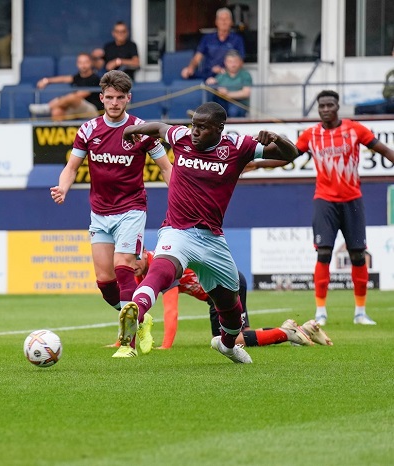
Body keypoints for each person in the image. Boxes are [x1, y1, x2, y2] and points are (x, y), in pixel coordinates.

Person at [118, 102, 299, 362]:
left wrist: (276, 138)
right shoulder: (181, 138)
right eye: (194, 126)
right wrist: (132, 130)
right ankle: (139, 312)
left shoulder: (238, 147)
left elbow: (290, 155)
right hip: (177, 230)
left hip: (212, 239)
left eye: (202, 128)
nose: (194, 132)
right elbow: (158, 127)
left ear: (219, 129)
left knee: (231, 308)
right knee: (162, 268)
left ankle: (227, 345)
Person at [50, 70, 173, 359]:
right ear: (101, 98)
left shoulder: (142, 129)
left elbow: (167, 167)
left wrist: (180, 197)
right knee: (105, 282)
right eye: (110, 98)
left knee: (123, 266)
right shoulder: (89, 129)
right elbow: (72, 167)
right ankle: (139, 316)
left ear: (128, 98)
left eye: (120, 98)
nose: (115, 103)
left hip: (131, 209)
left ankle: (128, 344)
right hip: (100, 213)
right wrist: (63, 188)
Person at [295, 90, 394, 327]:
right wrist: (254, 164)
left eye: (330, 105)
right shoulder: (310, 134)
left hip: (352, 200)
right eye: (322, 106)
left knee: (358, 255)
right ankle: (320, 312)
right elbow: (287, 157)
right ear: (318, 109)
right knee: (324, 253)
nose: (326, 109)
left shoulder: (355, 129)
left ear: (338, 107)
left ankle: (360, 312)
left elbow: (385, 151)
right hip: (324, 200)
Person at [132, 249, 332, 349]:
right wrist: (123, 341)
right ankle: (298, 329)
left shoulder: (163, 265)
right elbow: (135, 308)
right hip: (215, 296)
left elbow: (171, 310)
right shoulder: (141, 269)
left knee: (228, 340)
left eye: (135, 258)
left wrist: (166, 346)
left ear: (144, 252)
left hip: (227, 286)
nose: (132, 264)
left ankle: (288, 333)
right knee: (240, 335)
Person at [28, 53, 103, 121]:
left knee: (73, 97)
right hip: (76, 107)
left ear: (90, 63)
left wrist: (59, 101)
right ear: (77, 64)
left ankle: (47, 107)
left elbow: (80, 95)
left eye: (85, 62)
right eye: (80, 62)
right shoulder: (77, 77)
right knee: (56, 111)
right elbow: (63, 78)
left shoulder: (95, 78)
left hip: (92, 111)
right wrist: (46, 80)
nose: (83, 65)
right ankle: (58, 133)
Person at [181, 8, 245, 81]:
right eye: (221, 19)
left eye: (226, 19)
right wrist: (190, 68)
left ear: (231, 22)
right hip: (207, 74)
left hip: (227, 77)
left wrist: (223, 70)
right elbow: (197, 58)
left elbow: (240, 62)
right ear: (216, 22)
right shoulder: (207, 38)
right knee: (186, 75)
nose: (224, 22)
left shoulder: (237, 39)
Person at [205, 49, 251, 118]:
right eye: (230, 62)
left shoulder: (245, 75)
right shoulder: (221, 75)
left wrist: (227, 94)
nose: (233, 64)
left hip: (239, 104)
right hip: (223, 103)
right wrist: (211, 82)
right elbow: (216, 88)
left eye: (235, 61)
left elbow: (246, 93)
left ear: (240, 62)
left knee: (233, 110)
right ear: (225, 63)